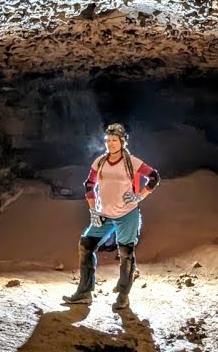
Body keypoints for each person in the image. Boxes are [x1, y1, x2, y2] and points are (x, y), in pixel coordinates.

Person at [62, 123, 161, 310]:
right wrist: (93, 211)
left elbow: (154, 177)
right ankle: (84, 293)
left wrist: (139, 196)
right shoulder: (99, 162)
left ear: (122, 141)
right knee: (86, 246)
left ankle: (123, 295)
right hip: (104, 214)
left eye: (114, 140)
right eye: (108, 140)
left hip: (127, 214)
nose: (110, 143)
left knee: (126, 253)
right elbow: (89, 186)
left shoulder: (131, 162)